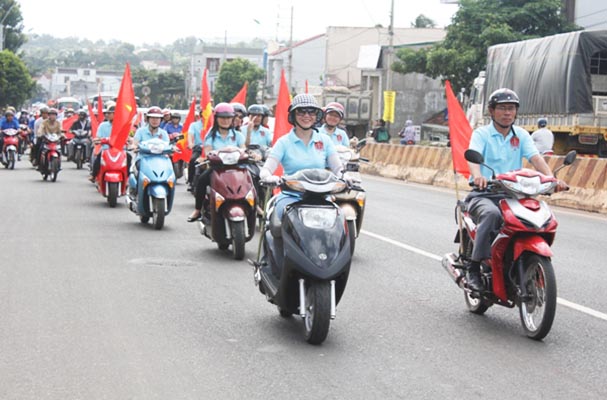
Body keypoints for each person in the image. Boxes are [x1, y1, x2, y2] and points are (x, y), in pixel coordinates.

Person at [464, 88, 568, 292]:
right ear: (492, 111)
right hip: (485, 193)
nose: (507, 113)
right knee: (492, 215)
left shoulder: (520, 135)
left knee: (535, 217)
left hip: (513, 194)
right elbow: (473, 157)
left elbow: (536, 158)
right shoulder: (482, 134)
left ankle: (518, 259)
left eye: (511, 108)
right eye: (502, 108)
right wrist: (478, 176)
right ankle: (474, 268)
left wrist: (551, 180)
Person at [259, 94, 343, 220]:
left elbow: (338, 168)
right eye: (301, 111)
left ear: (316, 116)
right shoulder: (283, 142)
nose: (306, 116)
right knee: (277, 223)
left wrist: (346, 176)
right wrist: (268, 177)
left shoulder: (325, 140)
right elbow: (266, 169)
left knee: (340, 221)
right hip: (291, 196)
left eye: (311, 112)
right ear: (293, 115)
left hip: (321, 197)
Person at [187, 103, 245, 222]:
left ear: (233, 119)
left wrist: (248, 153)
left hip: (236, 169)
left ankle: (256, 207)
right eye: (222, 117)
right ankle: (197, 210)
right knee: (202, 180)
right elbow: (208, 151)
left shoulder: (238, 135)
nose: (225, 120)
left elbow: (243, 149)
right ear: (216, 118)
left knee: (252, 177)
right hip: (217, 169)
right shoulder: (210, 136)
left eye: (228, 117)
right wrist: (210, 156)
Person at [89, 102, 116, 181]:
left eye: (110, 113)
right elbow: (98, 137)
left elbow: (127, 137)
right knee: (97, 157)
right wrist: (98, 140)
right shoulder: (102, 125)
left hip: (119, 150)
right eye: (107, 113)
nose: (107, 115)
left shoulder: (122, 125)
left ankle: (127, 177)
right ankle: (94, 175)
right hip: (105, 149)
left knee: (128, 157)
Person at [186, 108, 205, 191]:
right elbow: (190, 134)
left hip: (212, 150)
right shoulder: (194, 125)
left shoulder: (214, 125)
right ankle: (191, 182)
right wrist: (190, 143)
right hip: (198, 148)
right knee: (193, 160)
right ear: (201, 116)